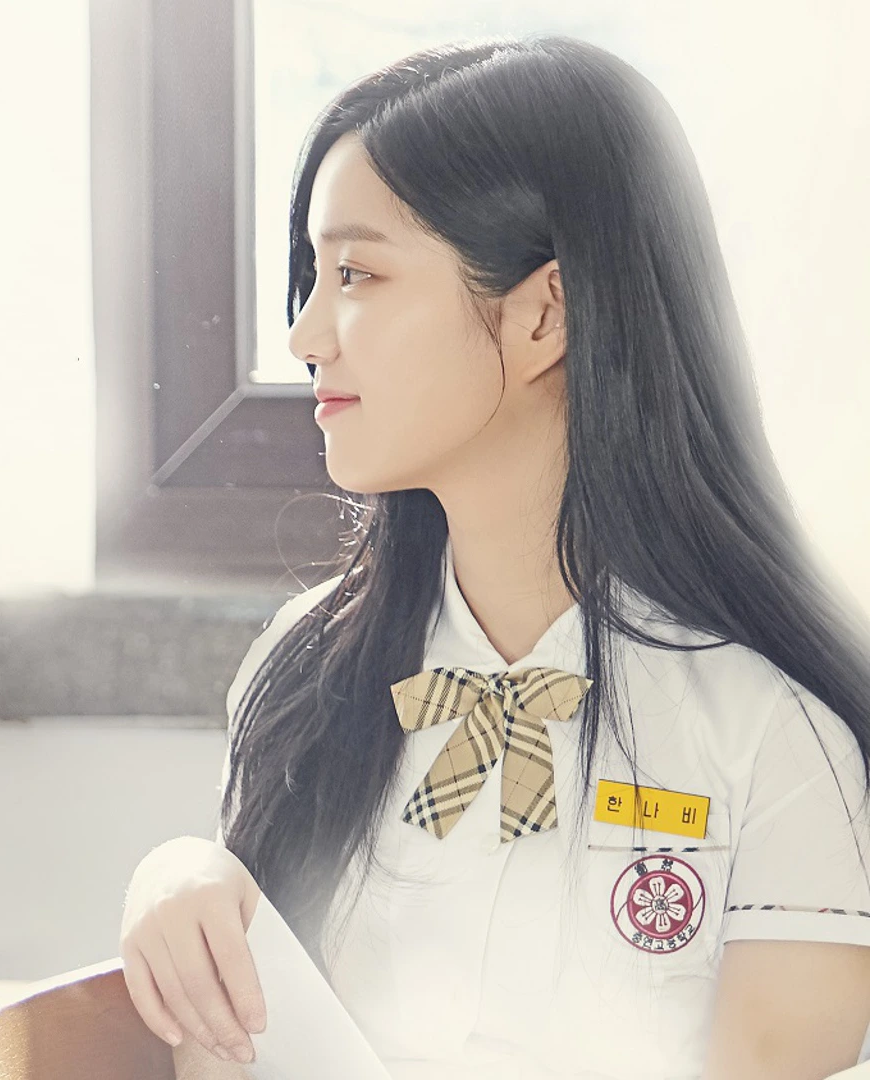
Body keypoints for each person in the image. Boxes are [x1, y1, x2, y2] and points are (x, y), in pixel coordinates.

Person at [119, 35, 870, 1080]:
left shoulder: (774, 735)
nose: (305, 336)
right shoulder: (303, 676)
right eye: (314, 278)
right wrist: (182, 882)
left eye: (356, 274)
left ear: (545, 313)